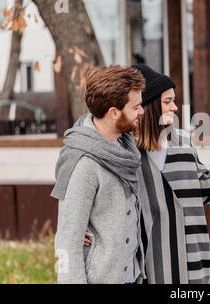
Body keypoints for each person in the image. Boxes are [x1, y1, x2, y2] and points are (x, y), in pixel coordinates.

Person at [83, 63, 210, 284]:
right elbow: (104, 196)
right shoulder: (126, 152)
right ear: (147, 106)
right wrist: (85, 227)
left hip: (191, 255)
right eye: (167, 102)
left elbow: (201, 190)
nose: (175, 107)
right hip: (150, 262)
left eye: (173, 101)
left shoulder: (183, 142)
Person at [51, 65, 146, 284]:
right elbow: (67, 242)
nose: (141, 112)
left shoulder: (125, 148)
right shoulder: (84, 164)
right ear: (114, 112)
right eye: (136, 107)